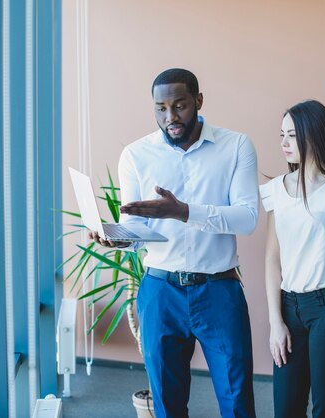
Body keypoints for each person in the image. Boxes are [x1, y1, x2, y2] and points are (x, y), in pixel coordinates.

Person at [91, 68, 259, 418]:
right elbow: (135, 226)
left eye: (180, 105)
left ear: (198, 101)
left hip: (219, 291)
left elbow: (248, 218)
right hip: (159, 291)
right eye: (160, 108)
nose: (170, 117)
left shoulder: (236, 146)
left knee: (237, 400)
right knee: (167, 403)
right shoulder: (136, 155)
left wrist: (184, 212)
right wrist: (117, 238)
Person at [260, 100, 325, 418]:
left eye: (292, 135)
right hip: (289, 307)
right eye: (281, 135)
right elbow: (272, 259)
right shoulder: (276, 189)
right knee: (286, 408)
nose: (284, 143)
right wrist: (275, 322)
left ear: (314, 135)